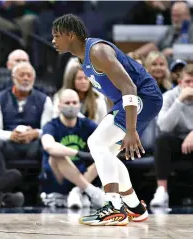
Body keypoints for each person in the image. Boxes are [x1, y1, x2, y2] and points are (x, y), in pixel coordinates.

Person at [52, 14, 163, 226]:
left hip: (143, 97)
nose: (53, 41)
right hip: (127, 102)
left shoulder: (97, 51)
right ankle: (135, 208)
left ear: (70, 35)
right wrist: (113, 120)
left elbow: (129, 87)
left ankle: (114, 207)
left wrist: (130, 130)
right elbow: (112, 92)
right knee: (108, 154)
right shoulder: (82, 59)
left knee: (96, 142)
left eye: (57, 36)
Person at [41, 89, 105, 209]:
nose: (71, 106)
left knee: (105, 156)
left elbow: (107, 141)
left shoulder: (87, 124)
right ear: (59, 105)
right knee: (56, 155)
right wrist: (79, 153)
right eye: (67, 103)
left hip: (83, 173)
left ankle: (76, 192)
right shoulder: (51, 125)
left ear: (79, 105)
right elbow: (48, 146)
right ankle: (92, 191)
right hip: (59, 177)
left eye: (74, 103)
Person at [151, 64, 193, 207]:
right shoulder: (168, 96)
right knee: (162, 140)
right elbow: (164, 126)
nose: (191, 86)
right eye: (188, 82)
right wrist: (179, 100)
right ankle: (161, 191)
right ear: (180, 82)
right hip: (177, 144)